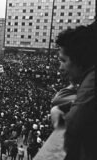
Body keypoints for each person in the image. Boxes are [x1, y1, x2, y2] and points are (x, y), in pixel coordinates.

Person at [55, 21, 96, 160]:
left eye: (63, 60)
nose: (60, 67)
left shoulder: (91, 85)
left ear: (79, 60)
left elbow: (69, 128)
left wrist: (56, 114)